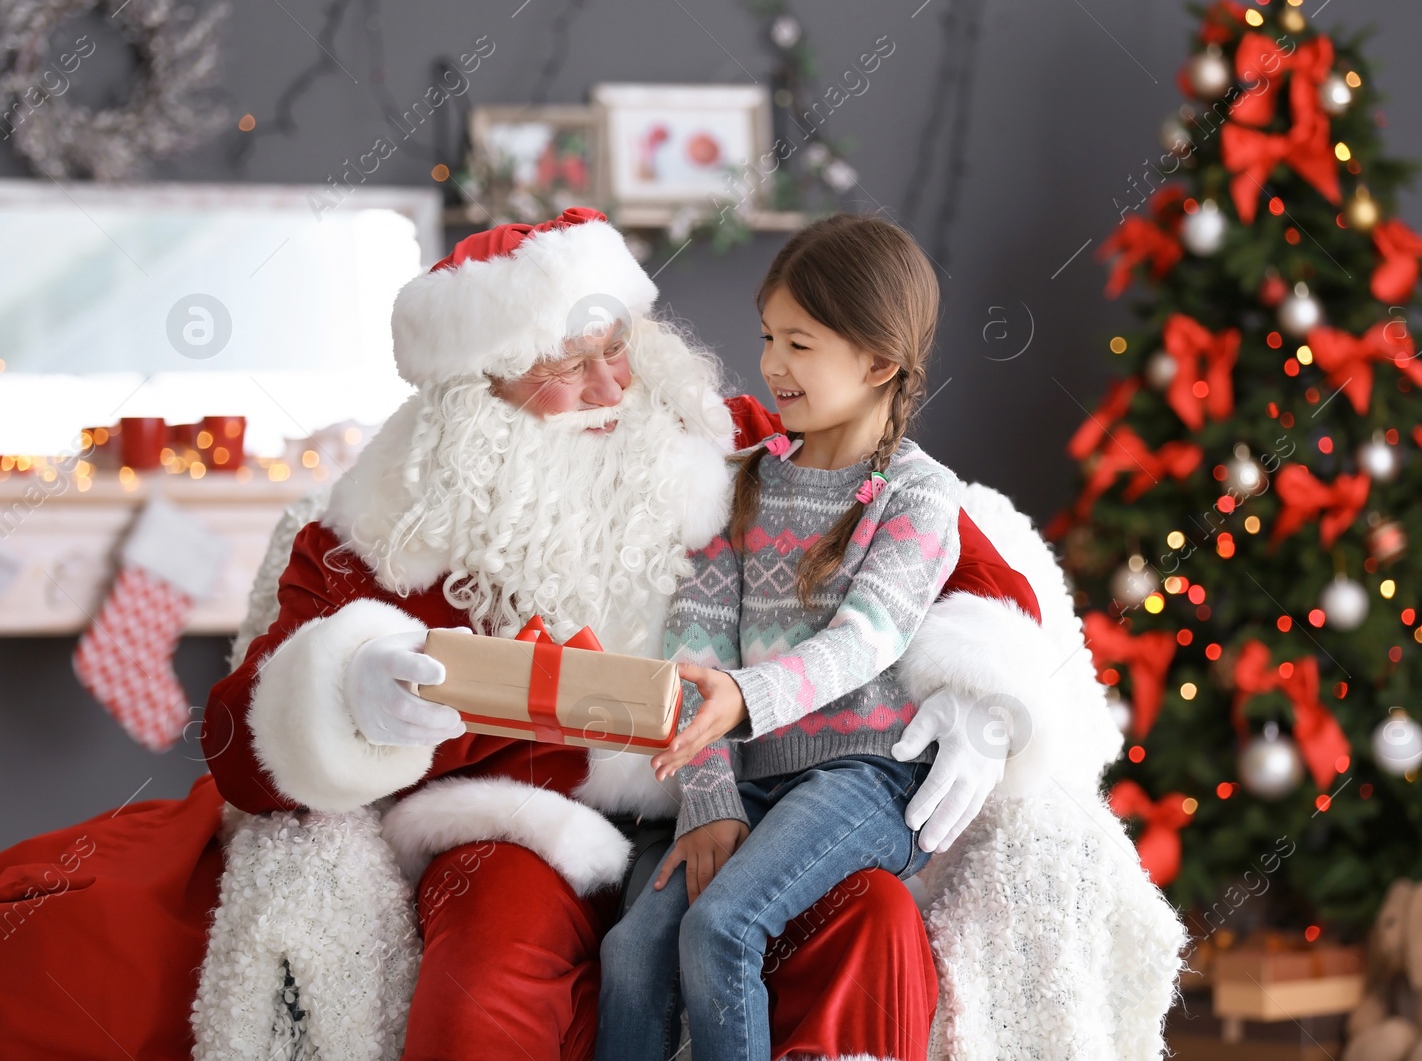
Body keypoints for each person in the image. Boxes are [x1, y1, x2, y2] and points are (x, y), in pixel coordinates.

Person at [0, 208, 1126, 1061]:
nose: (606, 384)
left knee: (867, 913)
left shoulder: (724, 437)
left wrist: (986, 691)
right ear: (478, 394)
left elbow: (944, 532)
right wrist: (356, 698)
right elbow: (244, 739)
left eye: (615, 348)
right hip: (526, 820)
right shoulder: (391, 518)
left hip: (746, 792)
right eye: (563, 366)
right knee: (486, 974)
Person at [598, 215, 957, 1059]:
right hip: (750, 775)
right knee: (631, 948)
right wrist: (712, 798)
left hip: (864, 776)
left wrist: (744, 700)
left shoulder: (919, 497)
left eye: (800, 343)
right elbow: (697, 650)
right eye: (768, 337)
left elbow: (866, 639)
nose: (771, 365)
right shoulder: (739, 482)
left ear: (878, 362)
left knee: (721, 927)